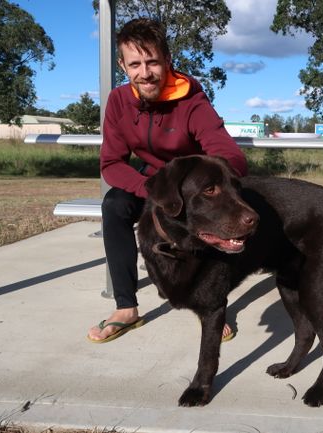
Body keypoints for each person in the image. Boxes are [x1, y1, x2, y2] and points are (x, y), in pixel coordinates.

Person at [87, 18, 247, 343]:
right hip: (152, 185)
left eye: (152, 62)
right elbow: (112, 163)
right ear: (122, 65)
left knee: (205, 213)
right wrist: (154, 194)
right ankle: (126, 307)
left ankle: (210, 304)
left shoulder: (190, 99)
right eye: (134, 64)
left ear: (167, 61)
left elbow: (230, 155)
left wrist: (201, 192)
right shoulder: (119, 102)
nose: (144, 72)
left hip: (190, 186)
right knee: (114, 205)